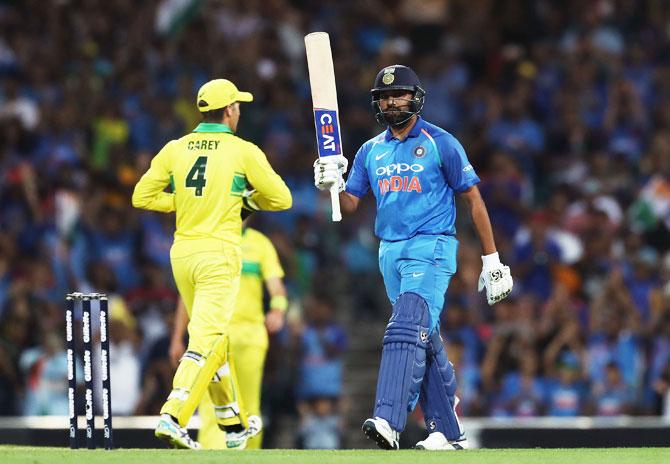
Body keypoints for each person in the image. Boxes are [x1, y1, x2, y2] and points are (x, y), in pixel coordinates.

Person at [313, 65, 513, 450]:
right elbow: (350, 204)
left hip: (432, 246)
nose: (391, 101)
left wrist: (492, 261)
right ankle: (446, 429)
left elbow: (473, 200)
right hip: (389, 251)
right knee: (422, 334)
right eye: (384, 97)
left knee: (405, 326)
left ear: (416, 97)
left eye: (399, 94)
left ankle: (389, 418)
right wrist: (330, 183)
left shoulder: (441, 142)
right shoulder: (371, 149)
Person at [132, 78, 292, 449]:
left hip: (183, 254)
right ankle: (173, 416)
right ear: (230, 110)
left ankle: (232, 425)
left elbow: (142, 196)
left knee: (214, 338)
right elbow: (281, 199)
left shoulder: (176, 148)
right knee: (205, 339)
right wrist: (238, 203)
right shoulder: (242, 150)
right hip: (218, 254)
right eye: (239, 107)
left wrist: (187, 203)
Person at [168, 223, 288, 449]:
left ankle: (248, 457)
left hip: (249, 337)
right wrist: (177, 337)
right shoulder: (206, 240)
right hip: (212, 334)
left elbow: (277, 288)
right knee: (212, 404)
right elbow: (187, 294)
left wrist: (278, 310)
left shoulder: (260, 243)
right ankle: (215, 456)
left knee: (249, 405)